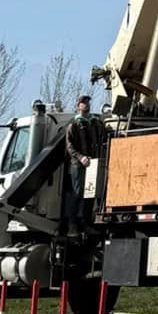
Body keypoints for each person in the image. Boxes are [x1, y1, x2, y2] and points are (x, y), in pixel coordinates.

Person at [64, 95, 104, 234]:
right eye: (83, 102)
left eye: (87, 102)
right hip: (78, 165)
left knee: (90, 194)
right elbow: (69, 147)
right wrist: (81, 158)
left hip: (93, 164)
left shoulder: (95, 123)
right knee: (78, 194)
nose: (86, 104)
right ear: (78, 106)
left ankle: (86, 223)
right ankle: (72, 224)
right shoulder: (74, 124)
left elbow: (102, 139)